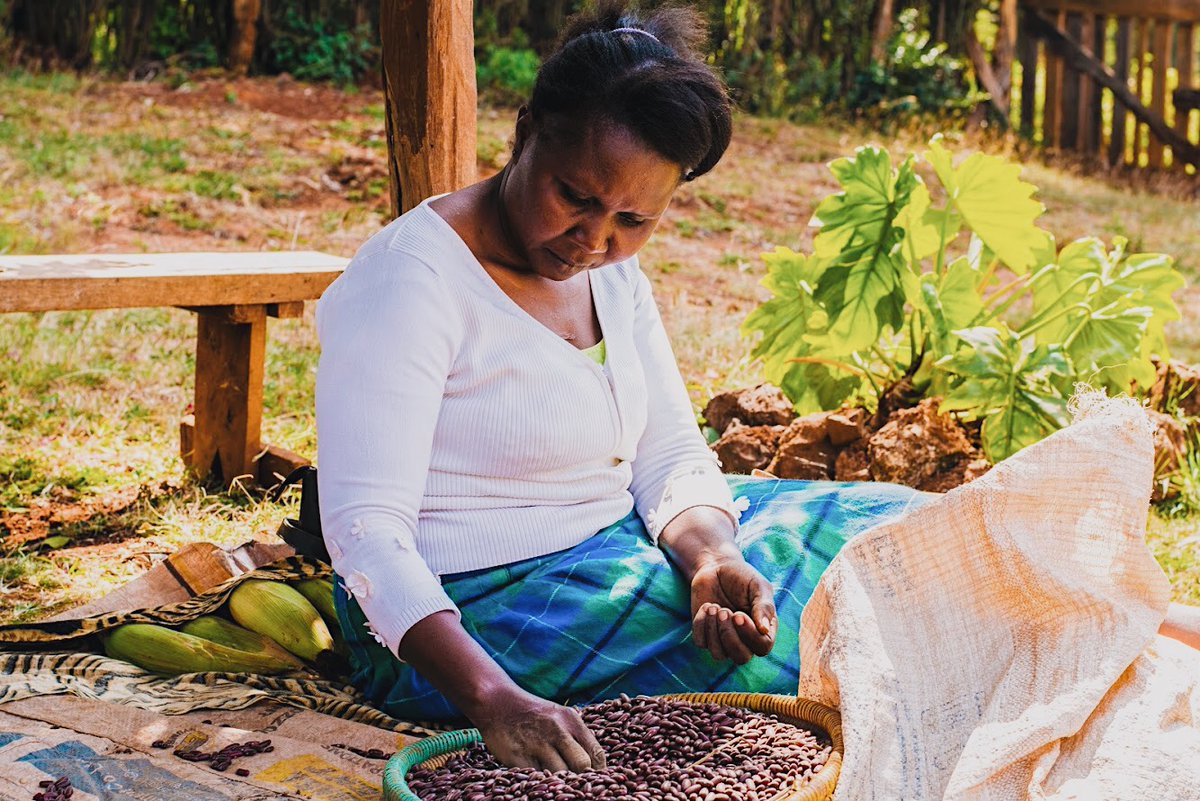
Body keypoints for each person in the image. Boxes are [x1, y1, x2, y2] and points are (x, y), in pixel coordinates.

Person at [314, 0, 1200, 774]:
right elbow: (367, 536)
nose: (593, 237)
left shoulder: (611, 277)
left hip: (616, 545)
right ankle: (1119, 648)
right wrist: (490, 697)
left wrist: (707, 560)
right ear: (524, 132)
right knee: (837, 632)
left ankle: (1157, 624)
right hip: (471, 618)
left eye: (634, 219)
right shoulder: (409, 282)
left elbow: (666, 454)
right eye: (573, 196)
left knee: (900, 529)